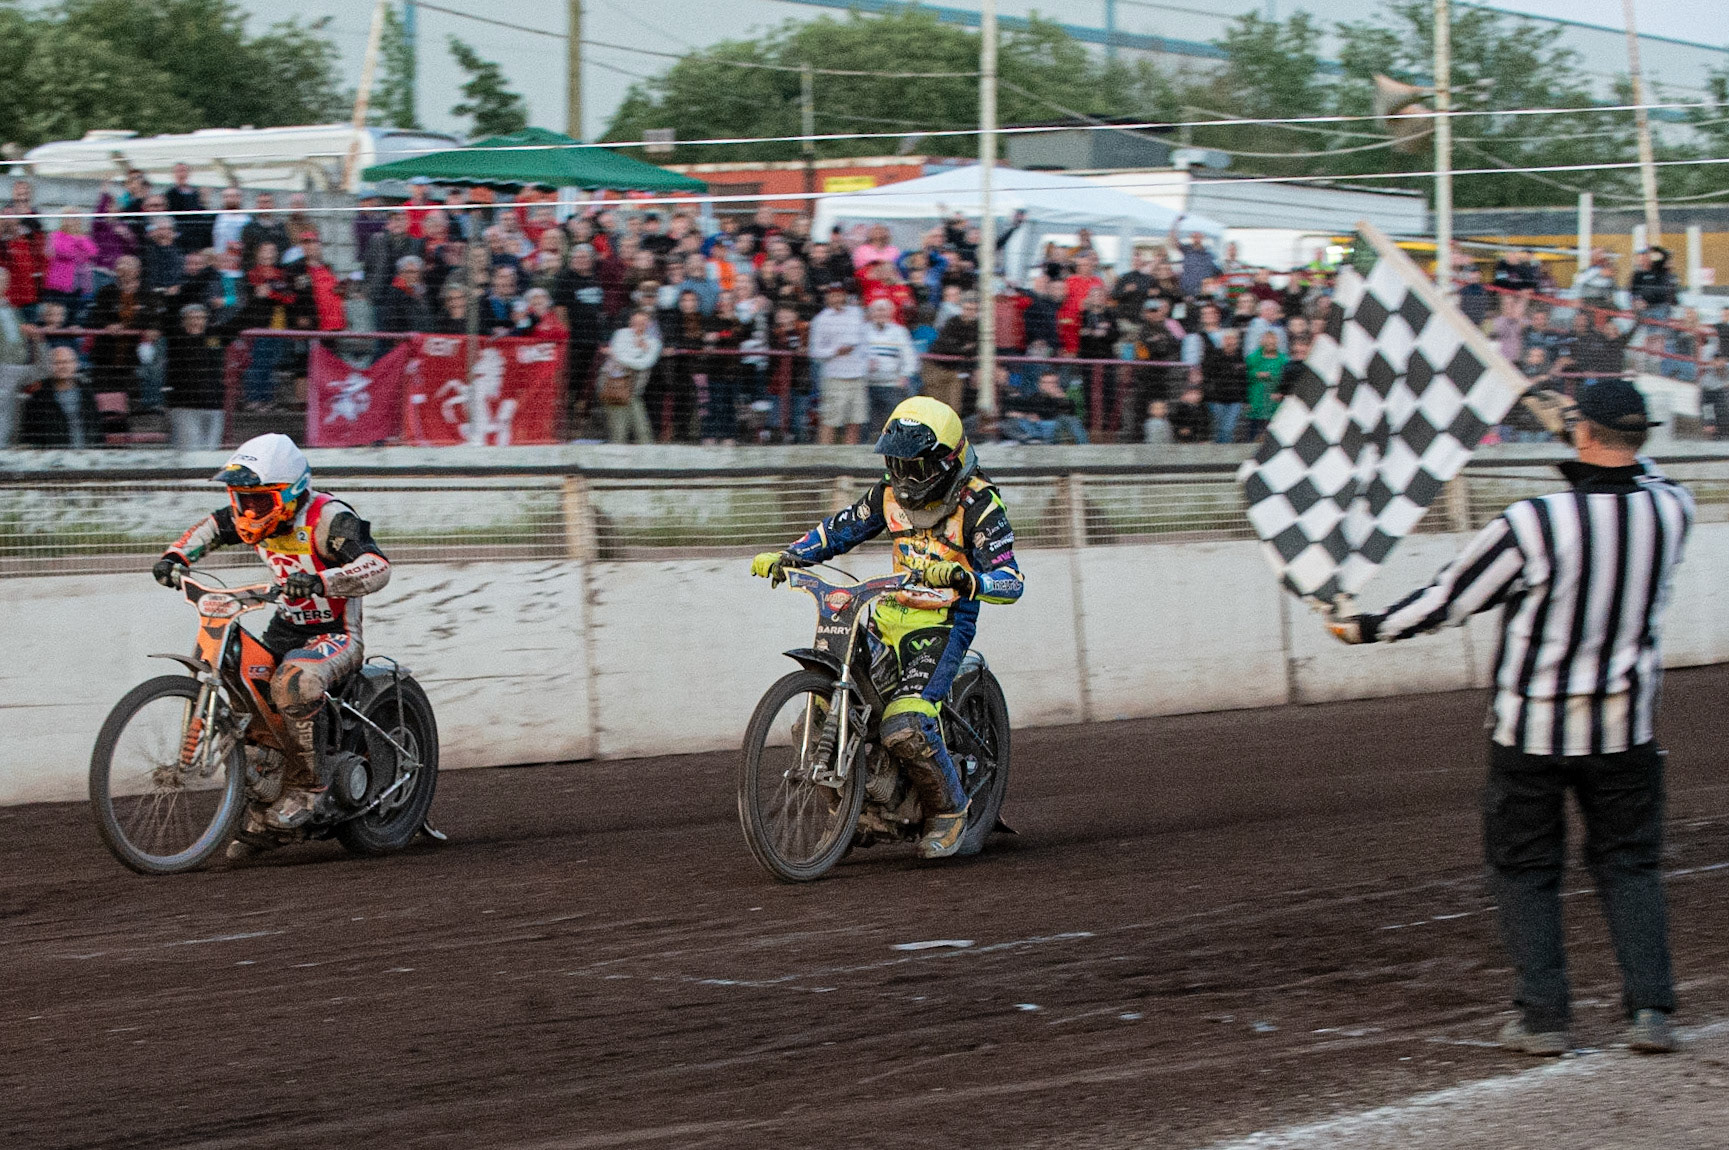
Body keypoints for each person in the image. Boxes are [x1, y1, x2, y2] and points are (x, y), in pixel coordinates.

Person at [1325, 379, 1693, 1057]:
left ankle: (1543, 1016)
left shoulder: (1535, 522)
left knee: (1525, 870)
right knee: (1629, 866)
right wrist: (1581, 434)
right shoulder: (1674, 509)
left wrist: (1366, 628)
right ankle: (1650, 1009)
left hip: (1531, 732)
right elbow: (1640, 470)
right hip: (1624, 732)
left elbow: (1447, 600)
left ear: (1581, 433)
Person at [749, 397, 1025, 858]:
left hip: (942, 624)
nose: (905, 477)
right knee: (818, 719)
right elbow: (839, 529)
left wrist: (966, 577)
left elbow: (1011, 581)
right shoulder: (888, 495)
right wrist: (789, 555)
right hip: (884, 613)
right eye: (897, 464)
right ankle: (852, 813)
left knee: (906, 723)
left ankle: (952, 811)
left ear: (948, 462)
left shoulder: (979, 505)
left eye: (917, 467)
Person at [153, 434, 392, 851]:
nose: (247, 511)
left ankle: (308, 789)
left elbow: (378, 567)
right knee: (233, 668)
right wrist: (176, 557)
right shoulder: (250, 514)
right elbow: (214, 525)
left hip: (335, 634)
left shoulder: (328, 519)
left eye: (258, 501)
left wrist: (322, 580)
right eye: (241, 499)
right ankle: (265, 795)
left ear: (290, 493)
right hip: (284, 629)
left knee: (293, 682)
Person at [809, 282, 869, 445]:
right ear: (827, 297)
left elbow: (865, 340)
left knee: (855, 421)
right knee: (830, 421)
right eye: (833, 294)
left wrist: (866, 361)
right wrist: (836, 351)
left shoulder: (856, 314)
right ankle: (825, 458)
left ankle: (850, 460)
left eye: (839, 294)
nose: (836, 297)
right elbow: (815, 351)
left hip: (857, 376)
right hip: (835, 377)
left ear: (844, 296)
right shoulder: (821, 320)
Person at [163, 304, 229, 450]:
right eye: (191, 318)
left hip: (213, 405)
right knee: (189, 453)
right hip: (185, 406)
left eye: (200, 318)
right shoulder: (177, 339)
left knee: (210, 454)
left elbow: (238, 325)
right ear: (183, 321)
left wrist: (259, 299)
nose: (196, 322)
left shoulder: (214, 336)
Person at [17, 345, 97, 448]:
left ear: (76, 364)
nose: (63, 366)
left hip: (85, 455)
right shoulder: (39, 397)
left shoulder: (87, 393)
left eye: (67, 362)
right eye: (57, 362)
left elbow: (96, 426)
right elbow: (29, 434)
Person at [600, 309, 660, 444]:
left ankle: (642, 447)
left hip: (635, 386)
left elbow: (645, 363)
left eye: (643, 322)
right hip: (614, 384)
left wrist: (623, 356)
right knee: (619, 419)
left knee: (637, 419)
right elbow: (621, 355)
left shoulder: (654, 342)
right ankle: (630, 446)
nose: (638, 326)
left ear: (649, 324)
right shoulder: (620, 334)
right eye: (635, 322)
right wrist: (639, 351)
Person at [862, 298, 918, 434]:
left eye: (884, 310)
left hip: (892, 386)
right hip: (866, 385)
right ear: (871, 313)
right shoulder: (862, 331)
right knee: (866, 423)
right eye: (877, 310)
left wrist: (904, 375)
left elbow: (910, 358)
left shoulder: (900, 332)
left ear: (891, 313)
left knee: (893, 422)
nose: (880, 314)